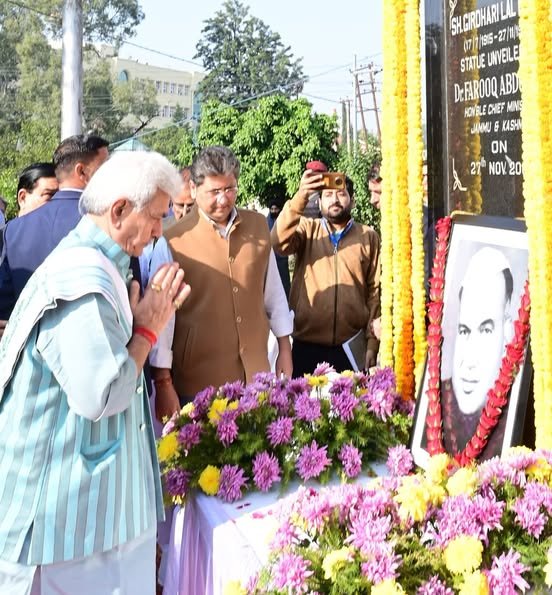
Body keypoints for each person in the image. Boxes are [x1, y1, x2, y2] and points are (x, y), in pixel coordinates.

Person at [0, 151, 190, 594]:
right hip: (65, 530)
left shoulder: (104, 265)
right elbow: (101, 396)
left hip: (92, 526)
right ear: (120, 210)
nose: (161, 231)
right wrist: (147, 329)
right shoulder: (82, 277)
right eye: (157, 217)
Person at [150, 145, 293, 416]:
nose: (224, 199)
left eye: (230, 189)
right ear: (193, 189)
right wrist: (164, 381)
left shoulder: (258, 227)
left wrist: (284, 347)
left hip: (256, 378)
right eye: (214, 192)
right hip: (198, 384)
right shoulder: (172, 240)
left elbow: (273, 294)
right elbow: (163, 321)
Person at [271, 167, 381, 377]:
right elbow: (277, 242)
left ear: (352, 200)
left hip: (350, 348)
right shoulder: (306, 230)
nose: (335, 199)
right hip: (306, 348)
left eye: (341, 193)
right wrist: (301, 196)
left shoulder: (368, 236)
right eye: (328, 195)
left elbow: (374, 293)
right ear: (319, 202)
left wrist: (372, 344)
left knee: (353, 409)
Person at [0, 134, 109, 321]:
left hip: (27, 346)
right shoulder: (110, 225)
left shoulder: (12, 232)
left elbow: (5, 306)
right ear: (81, 172)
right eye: (104, 169)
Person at [441, 246, 514, 458]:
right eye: (464, 331)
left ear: (507, 332)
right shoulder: (437, 397)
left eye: (486, 330)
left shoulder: (513, 417)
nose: (469, 361)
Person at [266, 198, 291, 298]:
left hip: (282, 257)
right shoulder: (266, 221)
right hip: (270, 257)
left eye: (275, 209)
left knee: (284, 281)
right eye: (272, 209)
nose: (273, 211)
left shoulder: (283, 220)